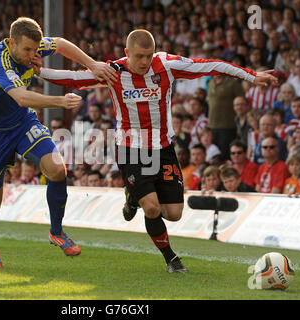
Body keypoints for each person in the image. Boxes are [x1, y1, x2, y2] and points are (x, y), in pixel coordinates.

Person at [39, 29, 278, 274]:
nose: (144, 62)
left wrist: (251, 76)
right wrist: (36, 70)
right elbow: (71, 78)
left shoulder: (166, 64)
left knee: (173, 213)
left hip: (163, 147)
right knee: (152, 208)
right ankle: (171, 258)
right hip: (130, 148)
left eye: (148, 56)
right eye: (139, 56)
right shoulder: (114, 72)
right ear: (126, 53)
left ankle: (133, 196)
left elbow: (211, 65)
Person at [0, 17, 116, 267]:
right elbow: (21, 97)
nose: (32, 54)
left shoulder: (33, 48)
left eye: (35, 49)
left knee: (57, 168)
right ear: (10, 42)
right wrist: (60, 101)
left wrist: (92, 64)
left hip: (23, 124)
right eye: (27, 50)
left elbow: (60, 43)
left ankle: (56, 231)